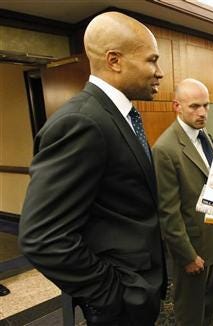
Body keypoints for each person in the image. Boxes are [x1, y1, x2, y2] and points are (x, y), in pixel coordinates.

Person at [19, 12, 166, 326]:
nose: (160, 73)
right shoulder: (83, 122)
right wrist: (112, 293)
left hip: (140, 283)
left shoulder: (118, 115)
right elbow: (42, 238)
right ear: (114, 60)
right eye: (152, 61)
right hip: (119, 301)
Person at [152, 78, 213, 326]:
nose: (202, 112)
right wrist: (187, 256)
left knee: (209, 303)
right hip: (191, 248)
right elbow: (168, 212)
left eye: (206, 105)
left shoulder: (203, 136)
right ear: (177, 106)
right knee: (190, 311)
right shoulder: (165, 149)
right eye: (194, 106)